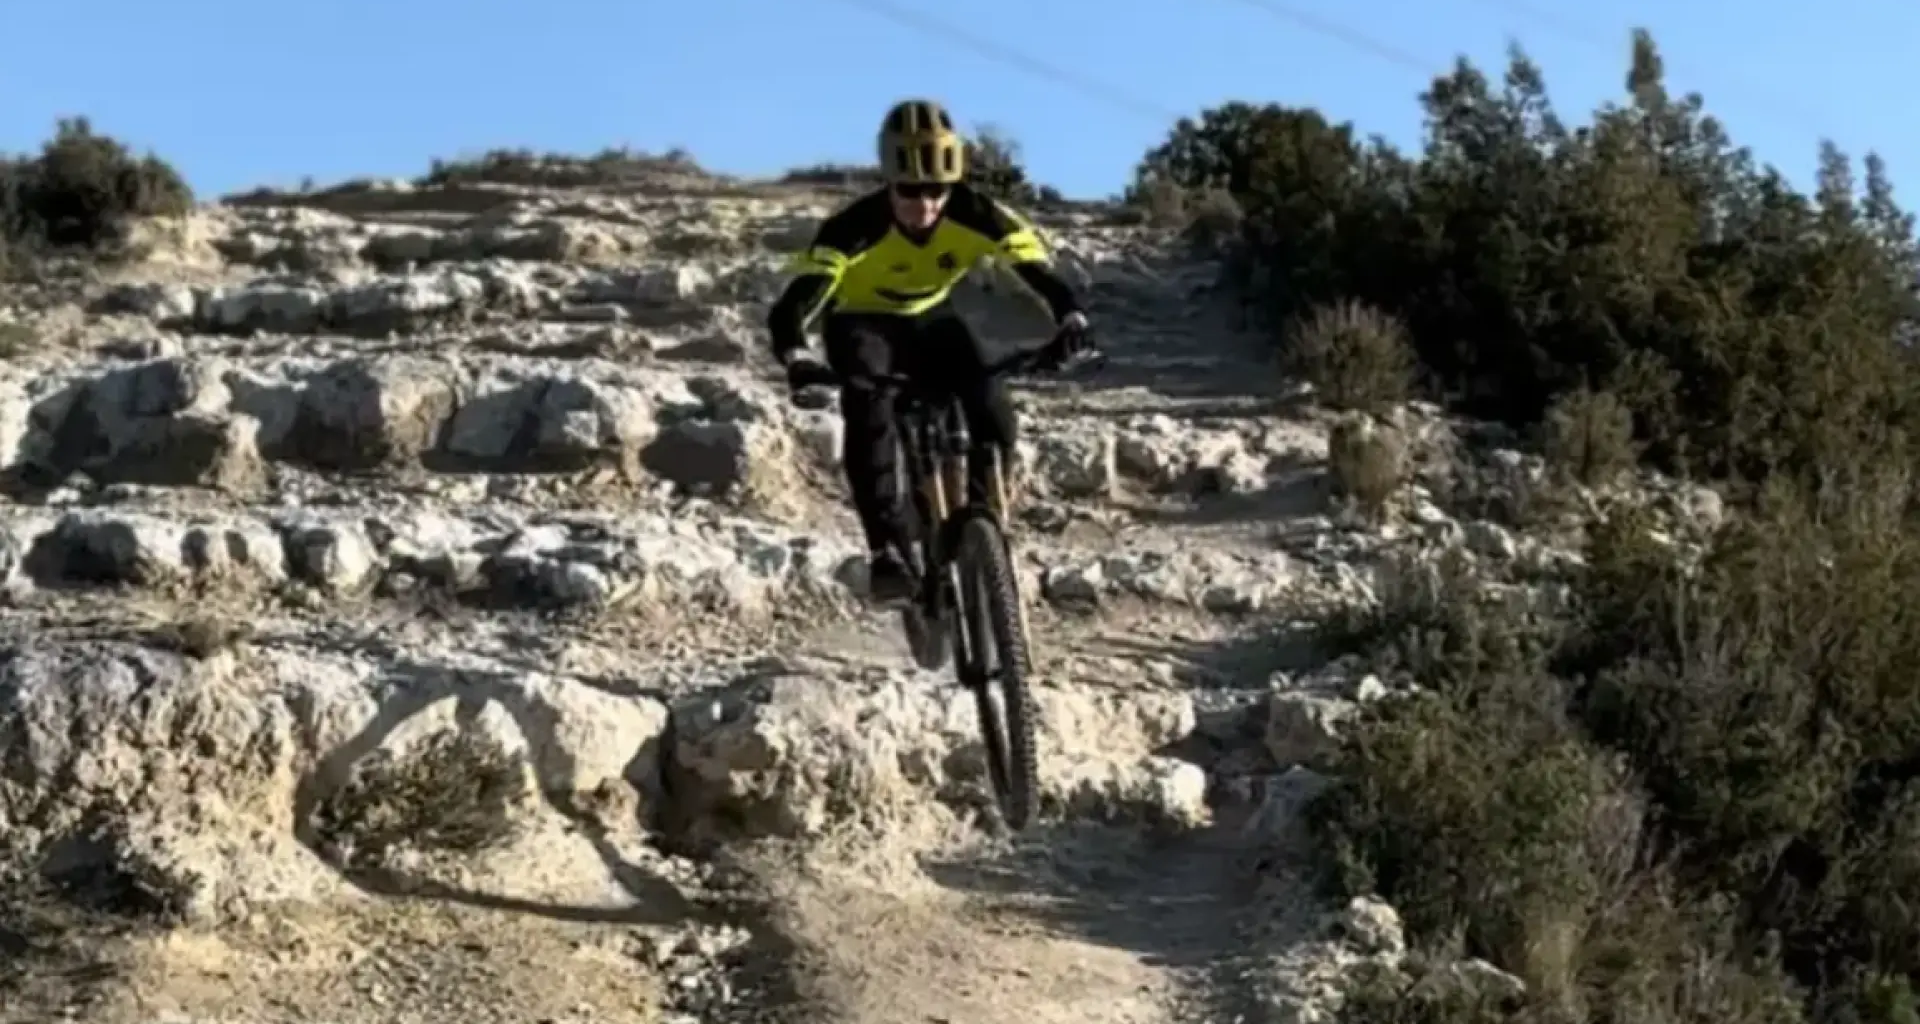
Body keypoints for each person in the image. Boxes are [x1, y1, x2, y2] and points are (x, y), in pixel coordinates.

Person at [766, 98, 1098, 607]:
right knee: (867, 407)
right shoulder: (852, 228)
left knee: (994, 408)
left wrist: (1071, 317)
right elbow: (796, 303)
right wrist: (798, 358)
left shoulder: (978, 214)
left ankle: (984, 536)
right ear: (889, 181)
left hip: (930, 317)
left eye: (936, 191)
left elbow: (1038, 275)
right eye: (909, 191)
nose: (923, 206)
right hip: (861, 321)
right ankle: (888, 555)